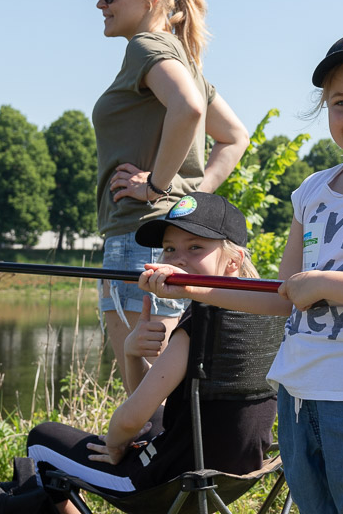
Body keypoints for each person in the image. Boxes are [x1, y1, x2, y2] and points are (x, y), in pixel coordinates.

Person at [141, 24, 343, 514]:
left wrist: (323, 282)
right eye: (341, 102)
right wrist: (194, 289)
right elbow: (280, 295)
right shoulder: (312, 192)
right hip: (298, 392)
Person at [27, 193, 277, 513]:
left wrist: (115, 445)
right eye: (170, 248)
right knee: (154, 418)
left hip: (170, 482)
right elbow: (148, 402)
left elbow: (131, 418)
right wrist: (132, 353)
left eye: (195, 247)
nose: (177, 258)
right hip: (237, 473)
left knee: (40, 438)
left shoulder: (203, 320)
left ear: (233, 260)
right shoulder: (269, 315)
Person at [79, 0, 249, 386]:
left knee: (145, 392)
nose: (101, 2)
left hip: (141, 236)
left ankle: (148, 454)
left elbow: (189, 109)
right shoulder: (186, 60)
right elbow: (234, 137)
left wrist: (156, 188)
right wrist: (188, 197)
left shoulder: (146, 46)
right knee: (165, 390)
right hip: (162, 236)